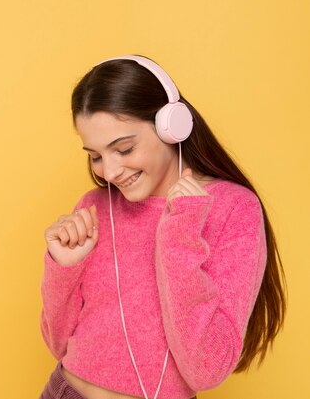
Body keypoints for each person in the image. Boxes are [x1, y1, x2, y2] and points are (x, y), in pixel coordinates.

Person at [38, 55, 286, 399]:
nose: (109, 172)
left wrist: (179, 238)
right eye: (95, 155)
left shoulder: (233, 209)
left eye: (123, 148)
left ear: (172, 126)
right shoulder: (94, 208)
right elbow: (58, 344)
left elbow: (205, 370)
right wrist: (63, 269)